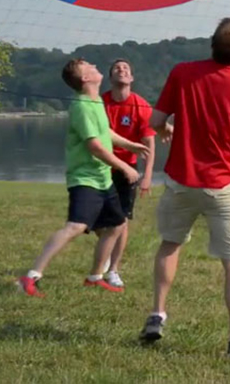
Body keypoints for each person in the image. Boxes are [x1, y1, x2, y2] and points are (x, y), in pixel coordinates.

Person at [139, 17, 230, 360]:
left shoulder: (182, 73)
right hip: (222, 185)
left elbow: (153, 122)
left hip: (181, 180)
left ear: (211, 45)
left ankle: (157, 315)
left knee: (170, 244)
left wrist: (167, 125)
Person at [17, 58, 149, 297]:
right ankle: (30, 277)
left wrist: (130, 144)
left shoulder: (96, 100)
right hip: (85, 178)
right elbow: (95, 146)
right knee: (76, 226)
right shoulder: (81, 105)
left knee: (116, 225)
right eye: (90, 67)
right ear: (85, 78)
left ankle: (95, 277)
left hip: (102, 178)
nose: (96, 67)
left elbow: (105, 132)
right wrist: (125, 167)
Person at [101, 58, 156, 289]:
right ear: (111, 77)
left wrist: (147, 176)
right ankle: (104, 251)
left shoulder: (141, 105)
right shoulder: (100, 102)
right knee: (94, 221)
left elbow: (149, 143)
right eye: (117, 68)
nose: (121, 70)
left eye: (126, 69)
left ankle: (113, 269)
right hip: (101, 166)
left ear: (131, 78)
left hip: (128, 170)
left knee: (122, 221)